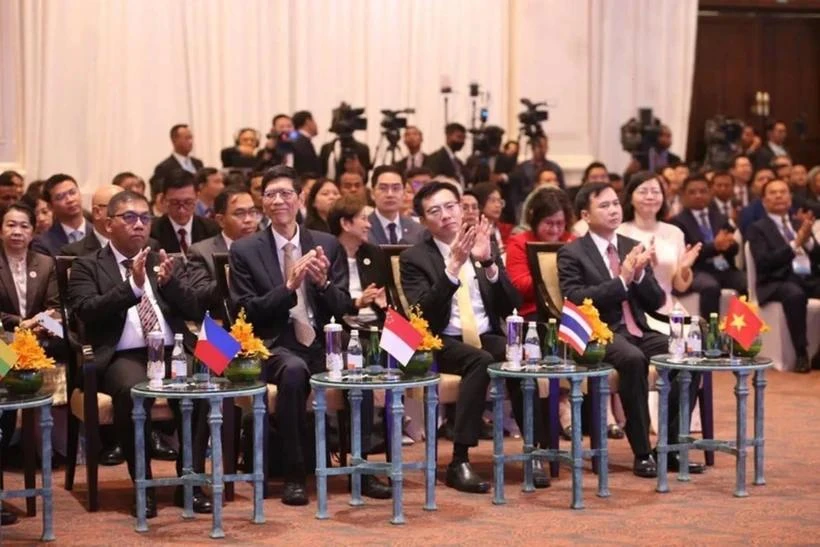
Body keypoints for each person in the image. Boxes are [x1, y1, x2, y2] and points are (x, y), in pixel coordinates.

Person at [229, 165, 390, 505]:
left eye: (286, 193)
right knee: (293, 371)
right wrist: (287, 288)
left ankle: (360, 466)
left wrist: (322, 284)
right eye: (270, 194)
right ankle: (294, 472)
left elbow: (344, 304)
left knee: (360, 368)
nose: (278, 200)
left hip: (322, 340)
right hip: (272, 345)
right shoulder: (245, 250)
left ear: (300, 198)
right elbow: (245, 311)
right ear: (263, 203)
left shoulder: (326, 244)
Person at [68, 190, 212, 517]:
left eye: (144, 218)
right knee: (134, 393)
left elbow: (193, 307)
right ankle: (143, 485)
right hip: (124, 355)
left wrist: (172, 284)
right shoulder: (87, 266)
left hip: (172, 349)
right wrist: (131, 288)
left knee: (203, 384)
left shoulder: (161, 260)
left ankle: (189, 480)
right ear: (107, 224)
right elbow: (86, 311)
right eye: (129, 218)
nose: (139, 225)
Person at [400, 181, 550, 493]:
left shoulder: (481, 246)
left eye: (450, 206)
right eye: (434, 211)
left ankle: (533, 450)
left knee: (519, 357)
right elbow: (421, 316)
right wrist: (452, 268)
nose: (445, 215)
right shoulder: (415, 258)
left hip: (485, 335)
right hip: (441, 341)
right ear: (424, 221)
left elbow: (511, 305)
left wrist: (489, 263)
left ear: (461, 207)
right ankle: (459, 460)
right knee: (479, 361)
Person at [559, 182, 703, 477]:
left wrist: (638, 278)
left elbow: (656, 300)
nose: (613, 210)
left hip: (638, 328)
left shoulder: (629, 245)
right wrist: (622, 281)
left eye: (615, 204)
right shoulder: (572, 252)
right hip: (599, 334)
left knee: (688, 355)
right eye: (604, 206)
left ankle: (672, 446)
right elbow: (575, 298)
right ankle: (642, 451)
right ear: (586, 215)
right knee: (633, 359)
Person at [0, 201, 61, 527]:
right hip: (2, 347)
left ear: (33, 230)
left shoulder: (46, 263)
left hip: (39, 345)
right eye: (10, 225)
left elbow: (55, 309)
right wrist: (18, 324)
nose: (17, 232)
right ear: (1, 229)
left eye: (23, 225)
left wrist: (36, 326)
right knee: (3, 400)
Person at [747, 179, 820, 373]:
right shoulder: (758, 228)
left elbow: (817, 256)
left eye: (783, 192)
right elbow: (764, 262)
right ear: (764, 201)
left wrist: (809, 242)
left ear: (790, 197)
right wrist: (795, 244)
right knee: (794, 293)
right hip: (776, 281)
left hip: (806, 278)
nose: (779, 196)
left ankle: (819, 352)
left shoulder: (799, 223)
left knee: (802, 288)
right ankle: (802, 353)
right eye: (773, 193)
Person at [617, 172, 701, 315]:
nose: (650, 197)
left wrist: (685, 269)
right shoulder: (620, 232)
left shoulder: (674, 232)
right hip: (630, 309)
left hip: (665, 306)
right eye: (643, 192)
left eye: (656, 192)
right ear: (630, 198)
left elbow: (680, 287)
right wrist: (638, 268)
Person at [670, 174, 746, 318]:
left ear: (710, 193)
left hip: (723, 268)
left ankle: (741, 334)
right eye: (692, 192)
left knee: (745, 282)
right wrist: (714, 246)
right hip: (697, 270)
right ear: (683, 195)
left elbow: (734, 250)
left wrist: (729, 245)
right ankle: (711, 335)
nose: (698, 195)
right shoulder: (677, 223)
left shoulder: (721, 218)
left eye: (703, 191)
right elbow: (686, 255)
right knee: (710, 287)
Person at [188, 186, 259, 321]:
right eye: (240, 213)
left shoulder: (265, 247)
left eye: (252, 212)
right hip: (223, 326)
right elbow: (199, 297)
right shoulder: (201, 251)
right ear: (221, 220)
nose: (249, 219)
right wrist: (228, 276)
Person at [329, 195, 389, 327]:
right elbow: (328, 303)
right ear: (345, 224)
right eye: (363, 219)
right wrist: (358, 303)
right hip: (342, 325)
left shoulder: (374, 253)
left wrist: (384, 300)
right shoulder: (327, 256)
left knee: (416, 341)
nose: (369, 225)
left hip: (378, 322)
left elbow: (386, 297)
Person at [150, 171, 220, 255]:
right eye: (175, 203)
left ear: (197, 197)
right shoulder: (152, 232)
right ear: (164, 200)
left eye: (188, 202)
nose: (181, 210)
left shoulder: (212, 229)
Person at [31, 174, 90, 257]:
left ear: (80, 194)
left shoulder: (99, 233)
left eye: (72, 192)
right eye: (60, 197)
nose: (70, 200)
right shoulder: (42, 243)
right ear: (50, 206)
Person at [367, 165, 424, 245]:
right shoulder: (364, 228)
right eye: (383, 188)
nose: (390, 194)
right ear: (372, 193)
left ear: (404, 194)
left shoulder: (417, 230)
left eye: (396, 188)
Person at [60, 185, 123, 256]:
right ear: (97, 212)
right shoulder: (74, 253)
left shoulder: (136, 247)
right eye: (117, 207)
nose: (126, 214)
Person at [149, 124, 204, 199]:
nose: (191, 142)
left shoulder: (198, 163)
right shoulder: (164, 167)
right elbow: (159, 193)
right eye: (187, 138)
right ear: (174, 140)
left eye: (191, 138)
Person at [470, 182, 513, 256]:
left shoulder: (506, 229)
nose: (497, 205)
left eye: (499, 201)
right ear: (480, 203)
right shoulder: (472, 231)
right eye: (492, 201)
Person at [739, 167, 776, 235]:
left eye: (770, 179)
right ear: (753, 187)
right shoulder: (748, 212)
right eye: (761, 179)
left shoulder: (788, 207)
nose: (766, 181)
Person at [292, 111, 320, 175]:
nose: (316, 125)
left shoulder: (296, 139)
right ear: (308, 121)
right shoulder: (302, 142)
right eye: (313, 121)